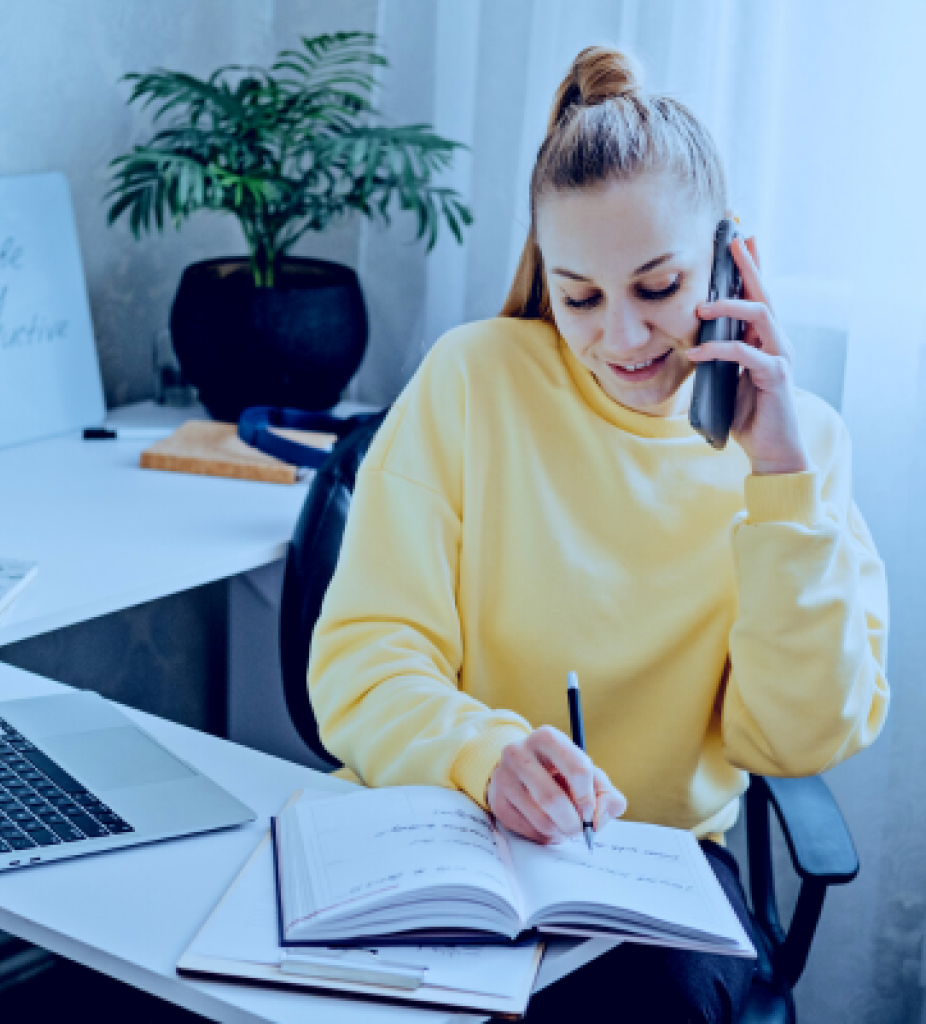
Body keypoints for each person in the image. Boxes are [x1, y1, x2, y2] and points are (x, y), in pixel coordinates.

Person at [308, 44, 889, 1022]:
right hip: (442, 838)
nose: (619, 338)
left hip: (650, 884)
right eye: (579, 296)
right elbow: (363, 661)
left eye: (657, 288)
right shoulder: (471, 382)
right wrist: (484, 755)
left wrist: (780, 485)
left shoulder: (804, 448)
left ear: (729, 255)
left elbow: (792, 739)